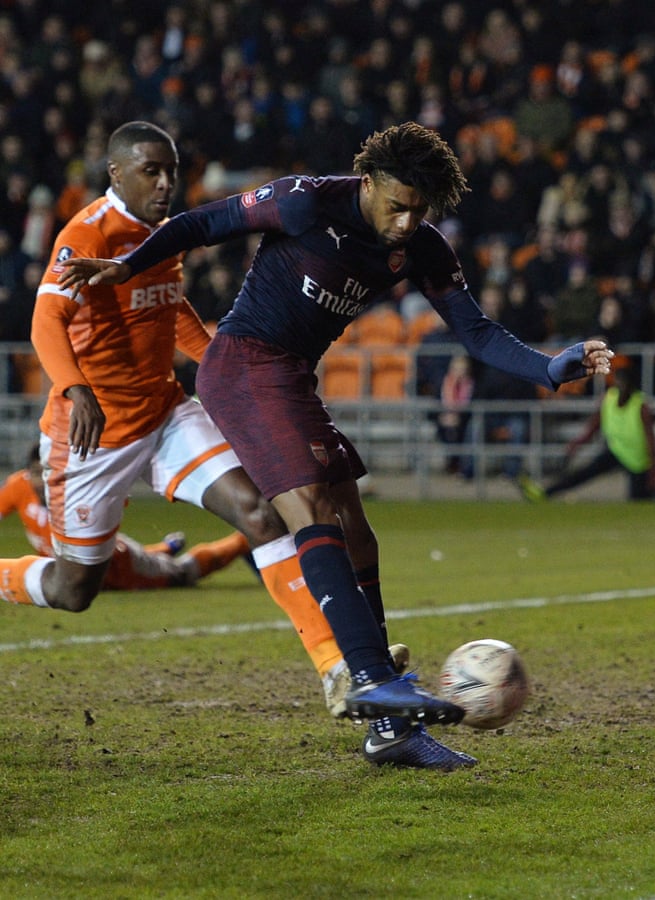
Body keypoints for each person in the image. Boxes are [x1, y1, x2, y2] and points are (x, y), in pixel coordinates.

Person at [60, 121, 612, 769]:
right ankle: (374, 679)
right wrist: (127, 266)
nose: (406, 223)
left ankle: (390, 732)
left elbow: (478, 332)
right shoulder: (305, 199)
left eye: (420, 211)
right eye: (397, 205)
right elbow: (200, 224)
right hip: (242, 365)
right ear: (369, 182)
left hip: (292, 375)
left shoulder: (425, 248)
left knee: (357, 533)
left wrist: (550, 369)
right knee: (312, 508)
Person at [0, 121, 457, 765]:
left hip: (164, 416)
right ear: (116, 175)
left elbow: (173, 312)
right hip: (93, 432)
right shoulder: (87, 234)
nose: (165, 183)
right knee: (77, 588)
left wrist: (230, 368)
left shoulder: (162, 239)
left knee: (263, 513)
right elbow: (47, 320)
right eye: (150, 171)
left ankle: (336, 667)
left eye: (172, 170)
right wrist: (74, 388)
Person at [2, 443, 251, 590]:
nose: (44, 480)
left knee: (181, 574)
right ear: (27, 472)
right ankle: (165, 548)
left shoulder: (74, 493)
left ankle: (246, 538)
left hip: (120, 565)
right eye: (37, 472)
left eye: (50, 472)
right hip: (77, 565)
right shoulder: (17, 486)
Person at [518, 359, 655, 502]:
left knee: (639, 498)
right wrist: (578, 443)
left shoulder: (640, 404)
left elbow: (651, 439)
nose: (620, 384)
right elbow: (594, 426)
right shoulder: (609, 398)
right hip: (617, 449)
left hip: (637, 458)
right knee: (582, 474)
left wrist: (653, 468)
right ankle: (545, 494)